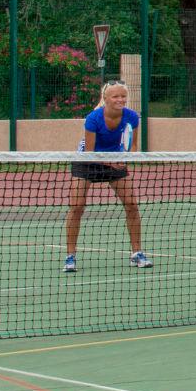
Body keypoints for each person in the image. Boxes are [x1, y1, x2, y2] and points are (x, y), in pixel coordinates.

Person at [64, 80, 150, 272]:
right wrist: (112, 162)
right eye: (115, 96)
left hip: (114, 160)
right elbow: (92, 151)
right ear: (105, 99)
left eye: (123, 96)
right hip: (87, 161)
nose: (120, 99)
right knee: (77, 207)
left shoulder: (132, 117)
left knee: (131, 204)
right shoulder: (93, 119)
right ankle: (70, 257)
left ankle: (137, 253)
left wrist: (127, 157)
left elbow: (134, 145)